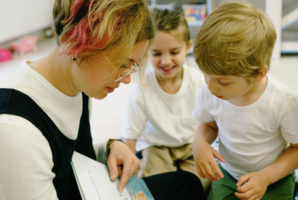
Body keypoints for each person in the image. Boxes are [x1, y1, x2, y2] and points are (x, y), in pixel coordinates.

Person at [0, 1, 204, 200]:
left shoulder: (77, 81)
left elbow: (66, 159)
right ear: (78, 45)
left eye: (131, 66)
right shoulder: (15, 132)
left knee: (187, 183)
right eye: (122, 64)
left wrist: (110, 147)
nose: (126, 79)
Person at [191, 1, 298, 200]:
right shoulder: (212, 91)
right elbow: (208, 125)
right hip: (228, 175)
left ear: (259, 73)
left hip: (274, 179)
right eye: (206, 75)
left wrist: (266, 177)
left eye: (223, 82)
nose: (211, 87)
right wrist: (199, 143)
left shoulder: (285, 102)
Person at [122, 8, 210, 193]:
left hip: (191, 144)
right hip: (156, 147)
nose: (166, 61)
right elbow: (130, 137)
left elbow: (213, 121)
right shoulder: (141, 88)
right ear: (146, 51)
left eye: (174, 52)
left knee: (199, 186)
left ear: (187, 47)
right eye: (156, 53)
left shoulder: (199, 82)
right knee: (159, 187)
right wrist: (127, 175)